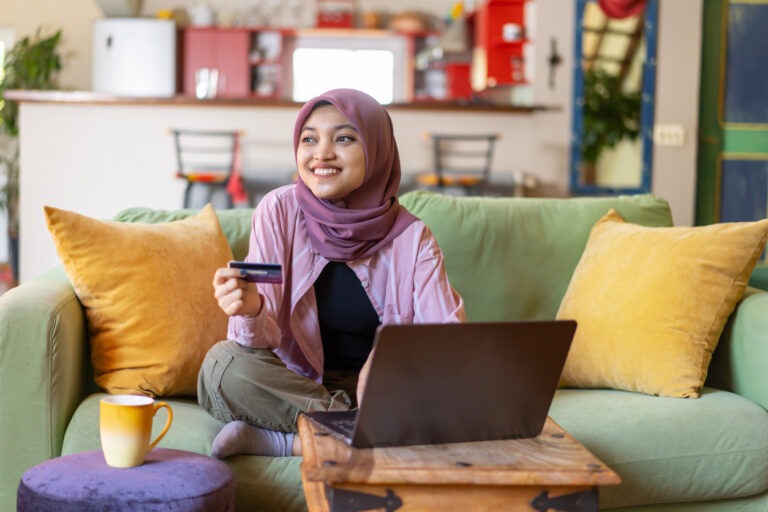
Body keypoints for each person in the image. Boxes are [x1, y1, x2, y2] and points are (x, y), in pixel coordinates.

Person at [198, 88, 465, 458]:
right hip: (297, 386)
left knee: (460, 390)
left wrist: (390, 358)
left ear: (376, 150)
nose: (321, 153)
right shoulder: (279, 210)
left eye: (343, 138)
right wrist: (251, 309)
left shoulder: (412, 237)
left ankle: (286, 442)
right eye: (309, 139)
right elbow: (258, 344)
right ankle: (369, 433)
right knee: (221, 367)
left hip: (387, 390)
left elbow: (448, 341)